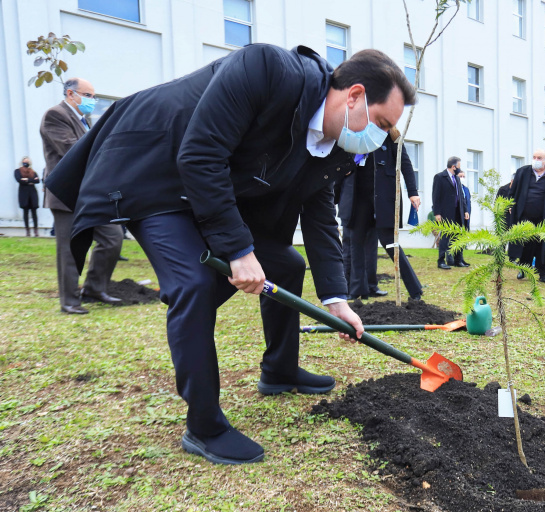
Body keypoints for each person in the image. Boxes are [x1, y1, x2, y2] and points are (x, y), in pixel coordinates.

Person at [46, 46, 414, 465]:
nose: (380, 138)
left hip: (207, 184)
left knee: (287, 264)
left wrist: (337, 299)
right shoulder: (267, 70)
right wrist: (238, 250)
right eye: (381, 123)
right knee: (195, 284)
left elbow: (319, 215)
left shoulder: (335, 147)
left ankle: (279, 370)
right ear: (354, 95)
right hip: (152, 171)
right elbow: (201, 153)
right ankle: (204, 426)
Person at [40, 77, 124, 315]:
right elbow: (71, 150)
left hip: (89, 194)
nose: (92, 100)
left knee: (112, 238)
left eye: (93, 96)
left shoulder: (83, 120)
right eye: (87, 95)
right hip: (66, 194)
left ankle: (94, 289)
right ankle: (69, 301)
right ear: (70, 94)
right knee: (69, 248)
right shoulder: (54, 115)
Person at [339, 129, 423, 301]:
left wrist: (412, 192)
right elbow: (338, 160)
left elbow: (405, 163)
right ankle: (356, 291)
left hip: (383, 197)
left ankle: (415, 289)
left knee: (390, 243)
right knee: (356, 244)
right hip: (357, 197)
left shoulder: (389, 135)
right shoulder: (353, 133)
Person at [509, 149, 545, 281]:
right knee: (525, 244)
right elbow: (513, 191)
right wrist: (510, 205)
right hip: (525, 216)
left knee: (543, 246)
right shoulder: (522, 172)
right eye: (534, 157)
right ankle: (523, 270)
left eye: (539, 158)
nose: (536, 160)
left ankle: (543, 273)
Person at [431, 156, 469, 269]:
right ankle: (441, 261)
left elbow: (461, 196)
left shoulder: (456, 178)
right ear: (453, 166)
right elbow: (435, 196)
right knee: (446, 236)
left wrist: (465, 210)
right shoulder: (439, 177)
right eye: (458, 167)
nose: (459, 169)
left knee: (458, 236)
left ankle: (458, 260)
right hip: (446, 212)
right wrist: (437, 213)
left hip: (458, 212)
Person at [14, 157, 40, 237]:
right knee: (25, 212)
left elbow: (37, 181)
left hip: (32, 193)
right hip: (23, 193)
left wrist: (26, 180)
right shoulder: (17, 171)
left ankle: (36, 231)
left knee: (34, 212)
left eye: (27, 161)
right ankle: (27, 231)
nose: (26, 163)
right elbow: (19, 179)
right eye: (25, 161)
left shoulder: (33, 171)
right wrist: (31, 180)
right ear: (22, 162)